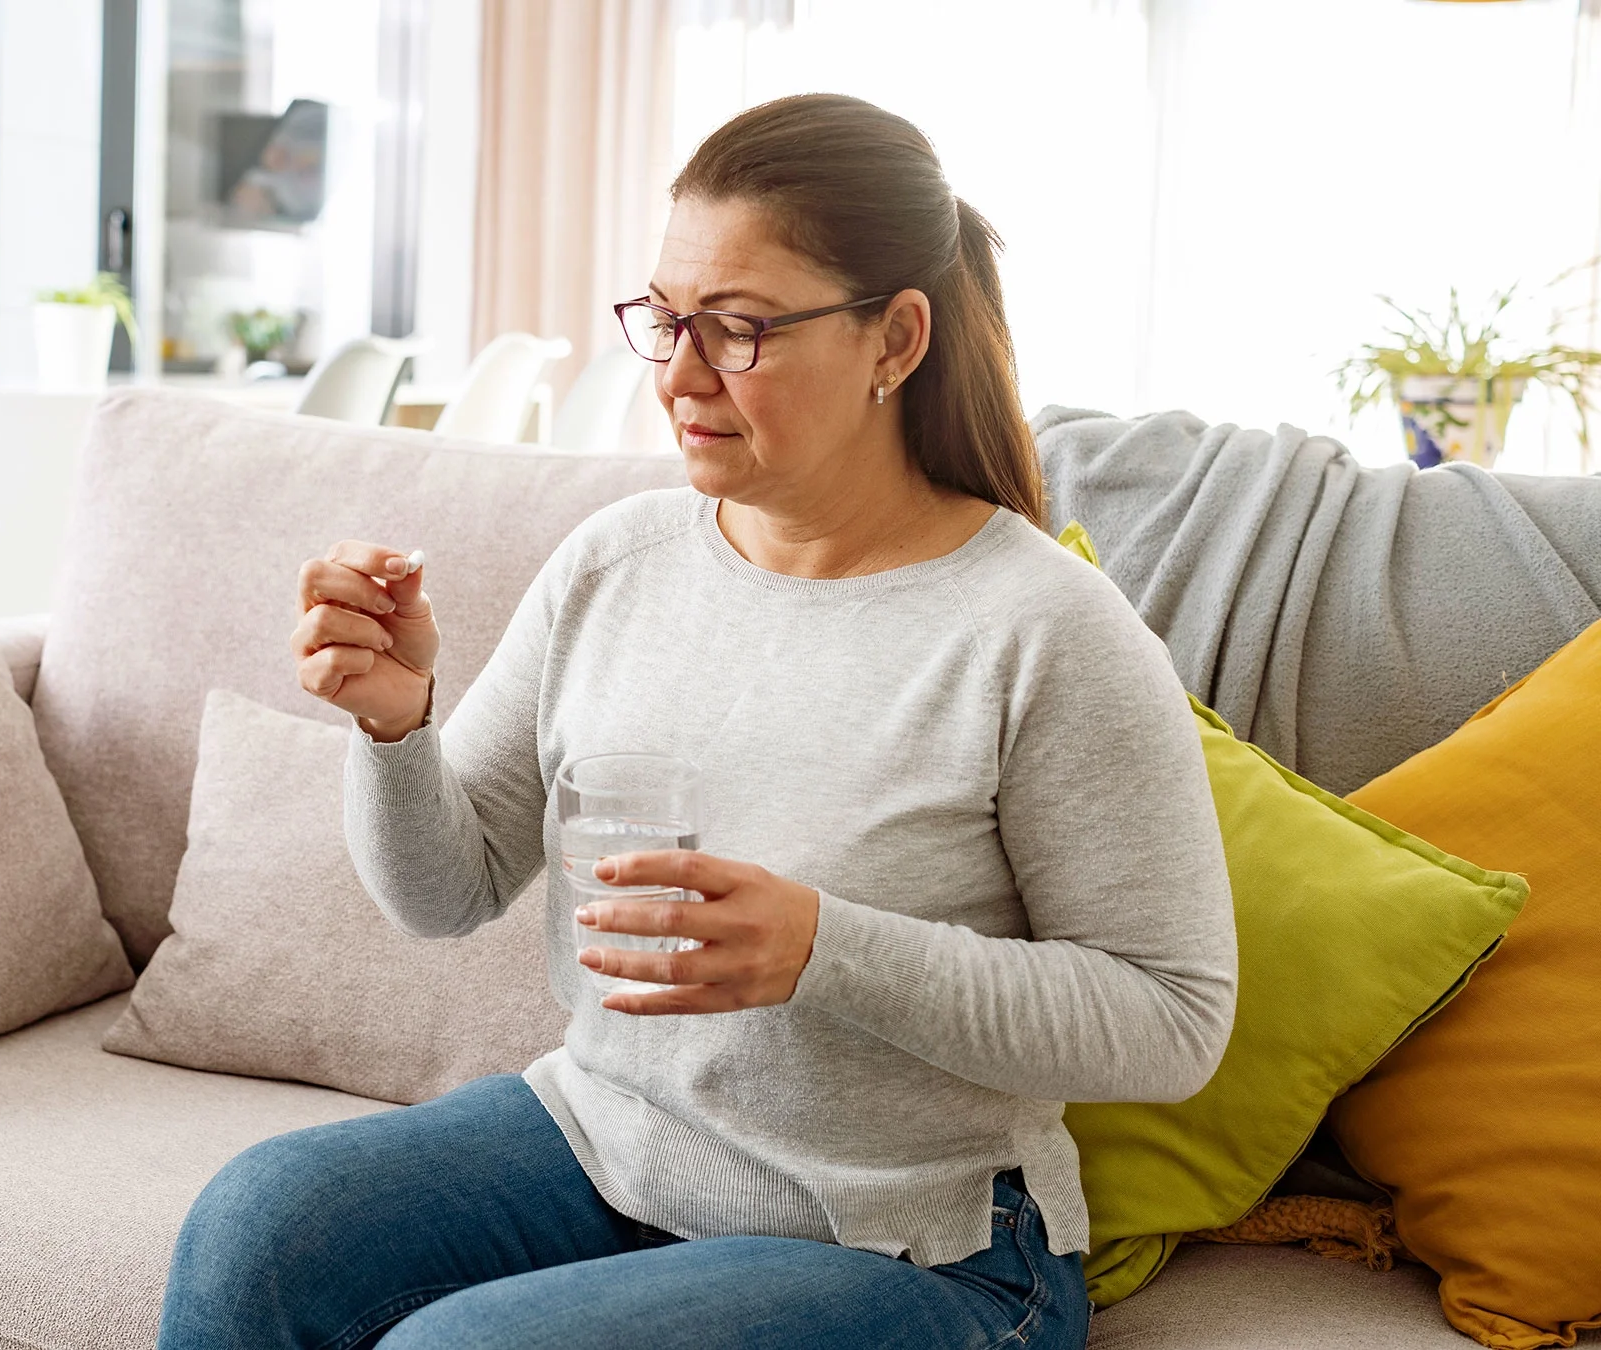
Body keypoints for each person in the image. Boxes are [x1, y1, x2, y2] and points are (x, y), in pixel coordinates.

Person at [157, 92, 1237, 1350]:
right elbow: (441, 894)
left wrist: (827, 947)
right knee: (260, 1223)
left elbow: (1173, 1024)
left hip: (922, 1241)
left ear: (894, 339)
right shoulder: (617, 562)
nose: (676, 376)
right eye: (665, 320)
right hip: (611, 1140)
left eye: (736, 331)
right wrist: (398, 733)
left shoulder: (1044, 629)